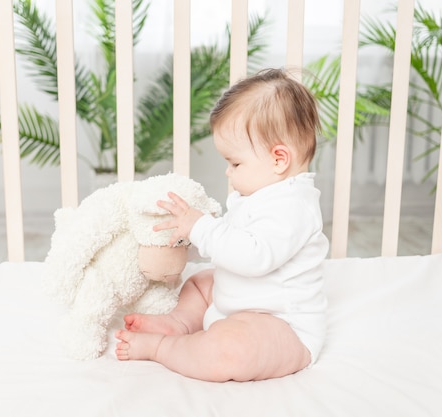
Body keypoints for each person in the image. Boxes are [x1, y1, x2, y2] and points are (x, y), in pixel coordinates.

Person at [115, 68, 329, 382]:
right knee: (202, 283)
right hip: (235, 302)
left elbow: (255, 256)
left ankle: (163, 347)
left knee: (230, 351)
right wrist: (189, 236)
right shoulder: (260, 194)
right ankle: (180, 323)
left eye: (235, 163)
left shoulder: (294, 206)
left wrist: (202, 228)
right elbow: (231, 242)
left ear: (279, 159)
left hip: (280, 326)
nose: (228, 173)